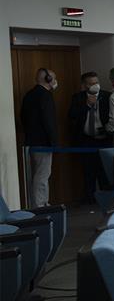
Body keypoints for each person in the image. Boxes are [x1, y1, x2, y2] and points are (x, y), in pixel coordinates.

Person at [68, 70, 110, 202]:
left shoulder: (107, 96)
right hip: (86, 140)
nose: (95, 85)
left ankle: (107, 200)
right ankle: (89, 201)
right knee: (88, 172)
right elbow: (72, 116)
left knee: (104, 172)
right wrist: (87, 105)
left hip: (104, 140)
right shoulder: (78, 97)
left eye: (96, 82)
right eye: (91, 83)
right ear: (85, 85)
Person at [19, 68, 58, 208]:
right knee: (42, 175)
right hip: (43, 142)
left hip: (31, 140)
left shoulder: (29, 95)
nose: (55, 81)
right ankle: (40, 205)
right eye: (53, 78)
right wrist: (53, 141)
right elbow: (49, 121)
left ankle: (38, 203)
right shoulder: (45, 95)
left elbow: (23, 118)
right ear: (48, 79)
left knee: (36, 174)